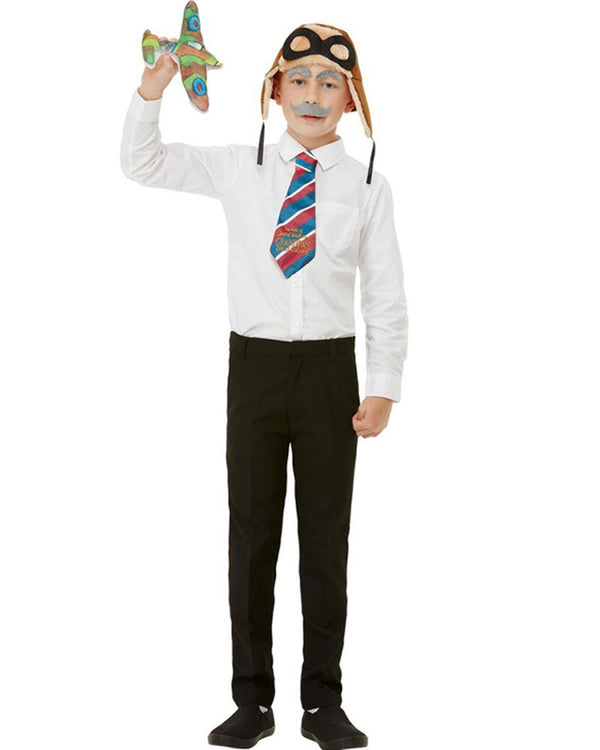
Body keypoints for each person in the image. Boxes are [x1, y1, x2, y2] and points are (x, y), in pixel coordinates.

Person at [120, 20, 409, 750]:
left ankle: (324, 701)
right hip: (253, 368)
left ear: (351, 100)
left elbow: (385, 295)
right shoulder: (237, 169)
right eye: (299, 79)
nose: (313, 93)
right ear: (274, 91)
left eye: (330, 83)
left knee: (325, 538)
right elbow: (142, 163)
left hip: (329, 373)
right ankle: (252, 700)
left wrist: (382, 384)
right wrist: (153, 90)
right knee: (251, 534)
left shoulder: (368, 186)